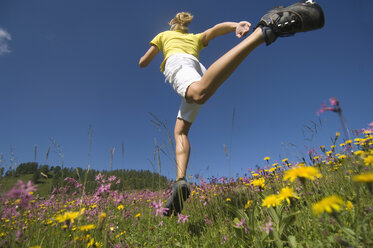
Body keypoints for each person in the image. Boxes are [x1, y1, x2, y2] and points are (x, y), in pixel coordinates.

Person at [139, 1, 324, 216]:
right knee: (180, 129)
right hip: (198, 68)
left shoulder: (163, 35)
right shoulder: (194, 38)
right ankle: (180, 181)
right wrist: (235, 24)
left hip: (178, 63)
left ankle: (263, 32)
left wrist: (146, 59)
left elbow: (144, 61)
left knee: (197, 93)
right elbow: (214, 31)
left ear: (173, 26)